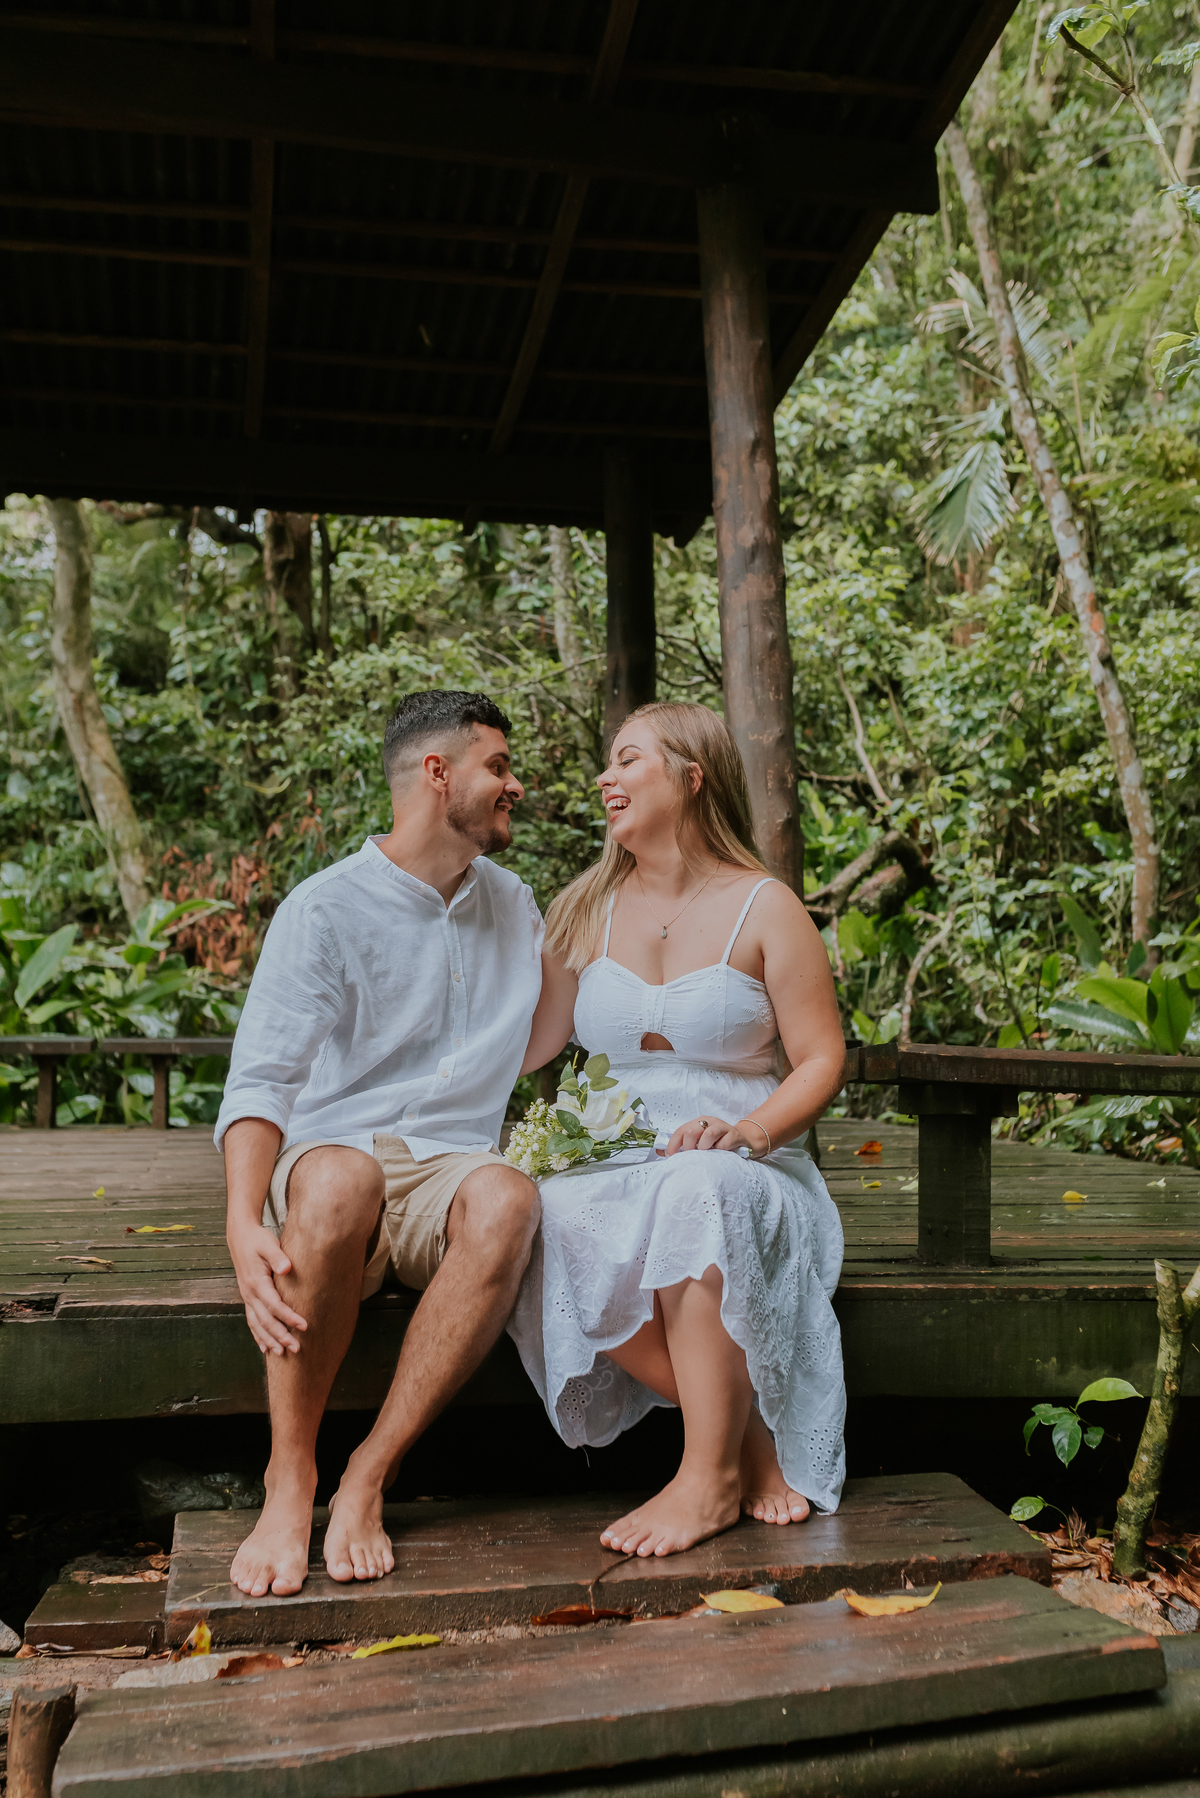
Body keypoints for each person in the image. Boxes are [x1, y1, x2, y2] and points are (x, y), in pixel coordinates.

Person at [215, 690, 545, 1598]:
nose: (515, 785)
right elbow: (261, 1083)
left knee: (511, 1195)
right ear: (438, 775)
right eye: (499, 767)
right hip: (336, 1160)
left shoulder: (517, 907)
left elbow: (559, 1027)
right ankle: (291, 1477)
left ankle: (369, 1471)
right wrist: (245, 1223)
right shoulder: (324, 911)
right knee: (341, 1180)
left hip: (450, 1167)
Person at [511, 701, 848, 1558]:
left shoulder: (766, 907)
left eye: (627, 762)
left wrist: (748, 1133)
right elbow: (531, 1046)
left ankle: (703, 1479)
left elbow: (819, 1061)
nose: (605, 779)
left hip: (741, 1157)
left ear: (691, 777)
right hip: (610, 1154)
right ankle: (748, 1451)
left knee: (694, 1188)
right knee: (536, 1217)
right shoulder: (581, 908)